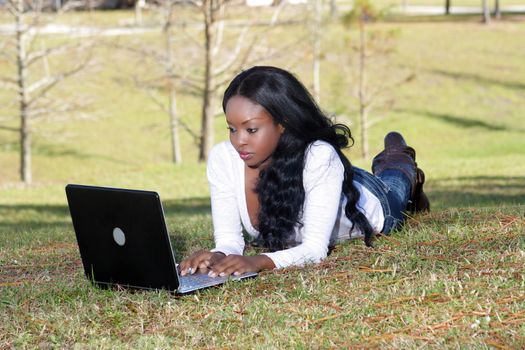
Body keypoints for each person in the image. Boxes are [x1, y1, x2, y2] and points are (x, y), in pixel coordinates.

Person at [180, 66, 429, 278]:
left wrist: (258, 262)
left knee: (395, 179)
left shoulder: (319, 156)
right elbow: (229, 239)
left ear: (283, 125)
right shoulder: (223, 158)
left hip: (372, 200)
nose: (239, 141)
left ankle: (398, 154)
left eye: (251, 130)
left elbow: (314, 250)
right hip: (330, 180)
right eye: (232, 129)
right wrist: (217, 256)